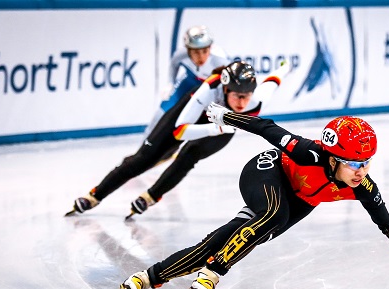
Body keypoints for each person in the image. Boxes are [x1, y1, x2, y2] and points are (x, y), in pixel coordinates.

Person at [104, 104, 389, 289]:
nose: (361, 171)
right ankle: (214, 273)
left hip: (300, 200)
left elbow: (388, 224)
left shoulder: (363, 186)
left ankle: (145, 278)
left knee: (226, 238)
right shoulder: (308, 152)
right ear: (333, 157)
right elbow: (266, 128)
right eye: (353, 163)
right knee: (274, 214)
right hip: (266, 171)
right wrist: (228, 117)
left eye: (366, 162)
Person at [65, 60, 291, 219]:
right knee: (143, 159)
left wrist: (284, 67)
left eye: (246, 97)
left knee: (188, 157)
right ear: (225, 88)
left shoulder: (257, 100)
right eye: (236, 96)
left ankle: (151, 196)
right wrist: (214, 129)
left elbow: (274, 79)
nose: (242, 103)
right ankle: (95, 195)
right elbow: (180, 131)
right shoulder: (209, 90)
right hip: (195, 118)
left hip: (222, 127)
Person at [160, 25, 229, 113]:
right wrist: (170, 83)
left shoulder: (220, 60)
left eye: (205, 51)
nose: (201, 57)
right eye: (196, 52)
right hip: (190, 81)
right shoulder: (181, 54)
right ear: (188, 50)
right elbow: (174, 64)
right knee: (164, 109)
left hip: (211, 87)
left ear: (210, 48)